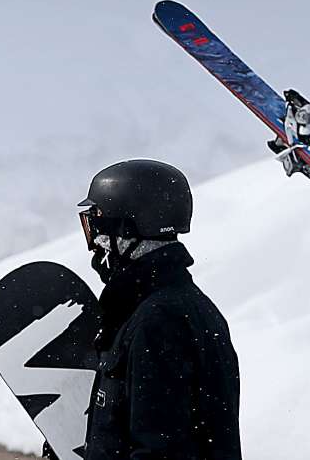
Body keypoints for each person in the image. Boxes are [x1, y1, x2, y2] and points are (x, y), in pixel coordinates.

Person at [77, 159, 241, 460]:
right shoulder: (172, 307)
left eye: (98, 225)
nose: (95, 243)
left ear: (127, 231)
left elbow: (160, 449)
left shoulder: (159, 323)